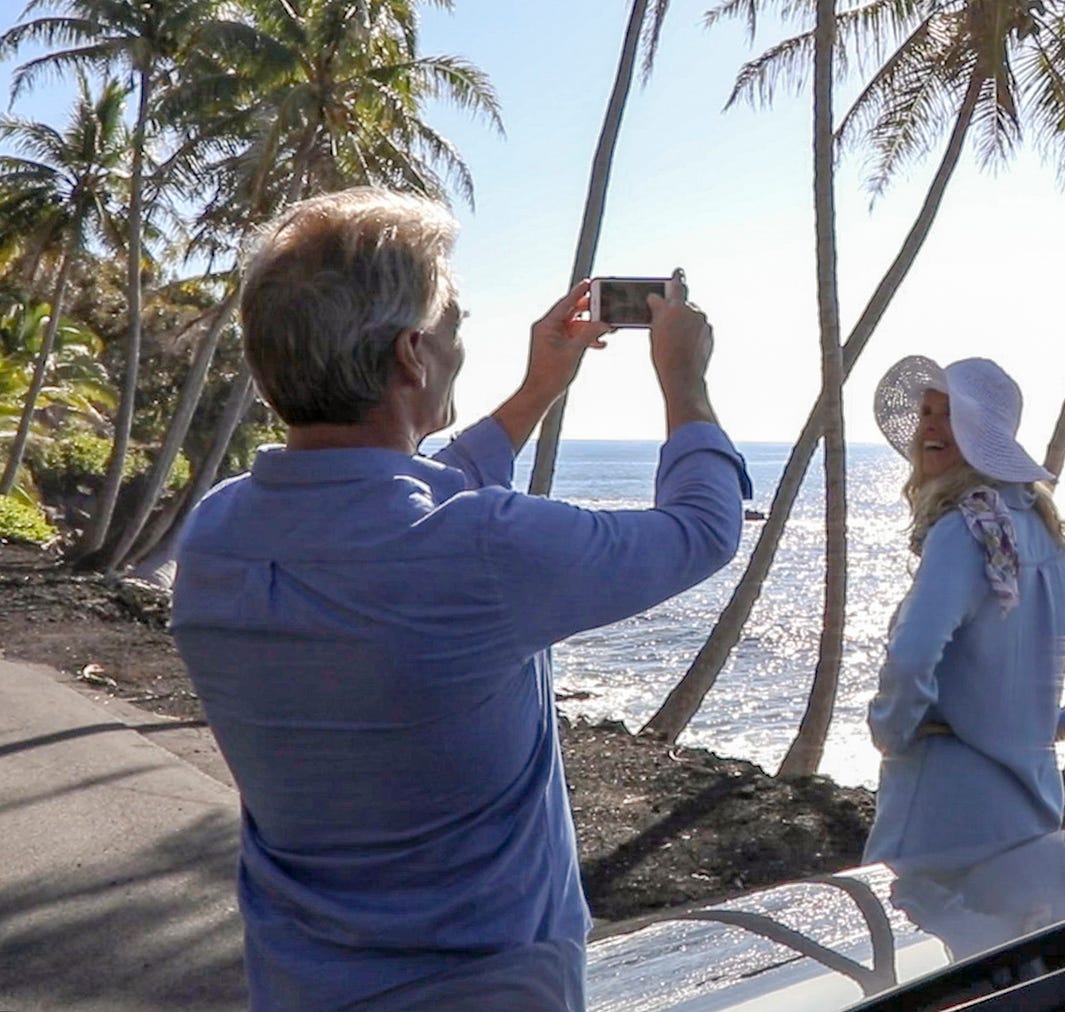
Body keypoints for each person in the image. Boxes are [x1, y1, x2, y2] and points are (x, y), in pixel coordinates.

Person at [170, 189, 751, 1011]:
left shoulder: (217, 536)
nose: (459, 343)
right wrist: (684, 380)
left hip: (298, 982)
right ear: (413, 355)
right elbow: (701, 530)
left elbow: (396, 512)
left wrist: (539, 387)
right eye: (454, 325)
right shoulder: (478, 552)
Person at [863, 355, 1065, 869]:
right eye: (926, 411)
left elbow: (912, 654)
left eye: (947, 413)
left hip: (942, 797)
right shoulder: (1044, 531)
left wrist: (892, 732)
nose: (928, 423)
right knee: (1015, 942)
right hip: (1031, 795)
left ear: (978, 433)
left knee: (915, 940)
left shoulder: (961, 530)